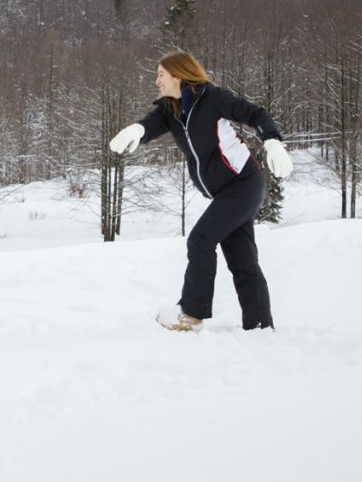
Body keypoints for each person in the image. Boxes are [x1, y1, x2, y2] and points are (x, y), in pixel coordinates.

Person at [109, 52, 293, 332]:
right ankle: (260, 327)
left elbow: (255, 113)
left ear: (178, 76)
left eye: (161, 74)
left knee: (200, 240)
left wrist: (272, 141)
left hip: (243, 184)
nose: (156, 80)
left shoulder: (212, 99)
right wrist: (136, 130)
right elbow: (150, 123)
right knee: (242, 260)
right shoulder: (171, 110)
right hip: (226, 193)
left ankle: (192, 315)